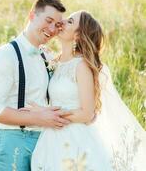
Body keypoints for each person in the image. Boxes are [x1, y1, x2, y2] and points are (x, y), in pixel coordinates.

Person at [30, 10, 146, 170]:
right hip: (50, 136)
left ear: (78, 35)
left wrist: (49, 114)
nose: (62, 22)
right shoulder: (53, 62)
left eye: (70, 22)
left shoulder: (81, 66)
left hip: (75, 139)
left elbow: (87, 113)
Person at [0, 0, 71, 171]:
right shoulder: (6, 55)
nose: (52, 29)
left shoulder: (47, 56)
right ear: (32, 15)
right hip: (12, 141)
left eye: (57, 24)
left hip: (44, 142)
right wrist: (37, 118)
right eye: (48, 20)